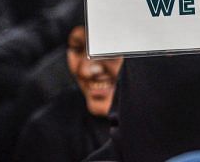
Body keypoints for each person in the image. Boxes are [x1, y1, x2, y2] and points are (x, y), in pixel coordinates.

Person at [14, 22, 123, 162]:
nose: (87, 70)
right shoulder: (47, 131)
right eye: (77, 49)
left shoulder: (157, 118)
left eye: (106, 51)